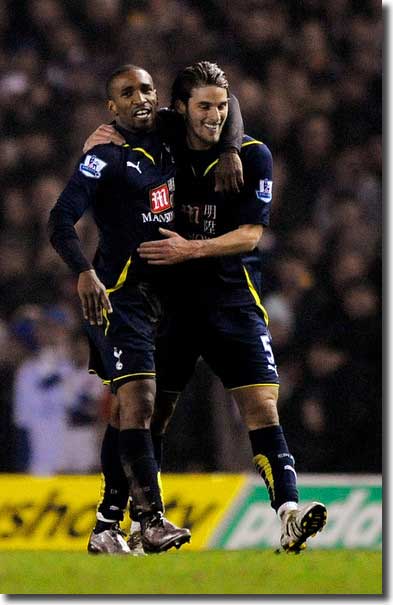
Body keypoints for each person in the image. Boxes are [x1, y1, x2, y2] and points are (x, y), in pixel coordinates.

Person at [85, 61, 327, 554]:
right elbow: (132, 119)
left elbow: (252, 235)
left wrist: (190, 248)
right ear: (181, 110)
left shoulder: (253, 156)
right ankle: (115, 520)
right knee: (145, 413)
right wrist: (102, 143)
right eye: (203, 107)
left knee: (262, 406)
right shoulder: (166, 138)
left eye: (221, 107)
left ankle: (288, 512)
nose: (214, 116)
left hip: (231, 300)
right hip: (168, 304)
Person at [48, 64, 244, 555]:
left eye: (147, 89)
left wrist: (230, 149)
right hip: (116, 295)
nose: (140, 97)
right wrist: (82, 271)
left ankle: (105, 527)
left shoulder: (171, 132)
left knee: (128, 416)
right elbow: (60, 219)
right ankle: (151, 521)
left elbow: (228, 105)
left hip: (165, 299)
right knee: (140, 401)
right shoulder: (103, 158)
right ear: (110, 108)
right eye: (126, 92)